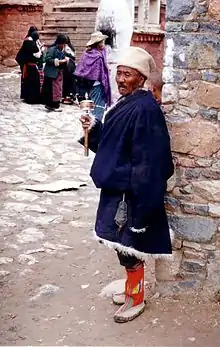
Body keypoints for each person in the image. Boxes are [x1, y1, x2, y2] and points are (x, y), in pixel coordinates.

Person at [79, 47, 174, 323]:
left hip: (130, 194)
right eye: (118, 73)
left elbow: (151, 161)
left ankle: (136, 297)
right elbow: (113, 144)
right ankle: (134, 288)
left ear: (141, 78)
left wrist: (143, 207)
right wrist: (93, 128)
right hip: (117, 190)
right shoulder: (125, 103)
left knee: (128, 246)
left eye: (127, 75)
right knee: (121, 245)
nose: (120, 79)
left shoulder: (145, 110)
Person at [74, 31, 112, 120]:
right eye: (102, 42)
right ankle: (94, 129)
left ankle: (91, 127)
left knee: (93, 107)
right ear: (97, 43)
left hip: (89, 85)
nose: (104, 43)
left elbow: (82, 70)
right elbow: (99, 73)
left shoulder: (87, 53)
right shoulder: (97, 56)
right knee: (98, 109)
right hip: (97, 85)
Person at [41, 34, 69, 111]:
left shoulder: (62, 50)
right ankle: (51, 105)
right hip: (51, 73)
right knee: (52, 91)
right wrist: (58, 61)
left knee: (57, 89)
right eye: (62, 43)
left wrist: (65, 60)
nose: (63, 45)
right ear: (59, 42)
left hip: (58, 73)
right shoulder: (52, 49)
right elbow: (47, 59)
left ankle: (55, 105)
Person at [15, 30, 42, 104]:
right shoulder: (30, 43)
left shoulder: (27, 42)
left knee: (27, 81)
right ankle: (32, 98)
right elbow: (36, 52)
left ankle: (27, 97)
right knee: (33, 82)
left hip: (27, 65)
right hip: (30, 65)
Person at [62, 36, 76, 105]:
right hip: (71, 66)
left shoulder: (64, 48)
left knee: (66, 81)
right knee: (70, 81)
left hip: (68, 66)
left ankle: (66, 95)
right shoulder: (71, 47)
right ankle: (70, 95)